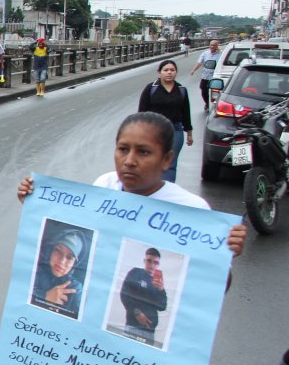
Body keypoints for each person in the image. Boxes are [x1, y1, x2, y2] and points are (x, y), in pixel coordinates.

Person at [17, 112, 247, 269]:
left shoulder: (192, 211)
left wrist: (221, 256)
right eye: (123, 149)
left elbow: (208, 291)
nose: (129, 161)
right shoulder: (104, 186)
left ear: (167, 159)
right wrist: (35, 201)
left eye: (143, 152)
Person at [137, 60, 193, 182]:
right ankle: (148, 186)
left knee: (170, 163)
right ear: (159, 72)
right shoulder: (151, 88)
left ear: (176, 72)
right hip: (153, 130)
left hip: (175, 130)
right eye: (166, 70)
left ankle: (166, 193)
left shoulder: (181, 90)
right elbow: (141, 112)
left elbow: (186, 112)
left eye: (172, 70)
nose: (169, 73)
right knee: (151, 159)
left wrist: (189, 133)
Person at [30, 226, 85, 318]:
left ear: (74, 264)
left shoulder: (75, 289)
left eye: (69, 257)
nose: (62, 261)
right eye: (58, 251)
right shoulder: (35, 271)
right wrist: (44, 296)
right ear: (50, 251)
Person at [120, 247, 166, 345]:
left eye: (155, 262)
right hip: (133, 327)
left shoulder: (158, 283)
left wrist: (161, 290)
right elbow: (124, 294)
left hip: (150, 332)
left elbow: (162, 307)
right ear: (144, 261)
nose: (152, 265)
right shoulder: (135, 273)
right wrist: (136, 312)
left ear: (158, 264)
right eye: (149, 261)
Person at [190, 39, 222, 106]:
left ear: (217, 46)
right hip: (205, 76)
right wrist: (193, 70)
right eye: (211, 45)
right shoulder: (205, 53)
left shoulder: (221, 55)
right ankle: (207, 103)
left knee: (214, 91)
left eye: (214, 45)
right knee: (203, 89)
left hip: (214, 77)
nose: (212, 46)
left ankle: (214, 104)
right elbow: (199, 62)